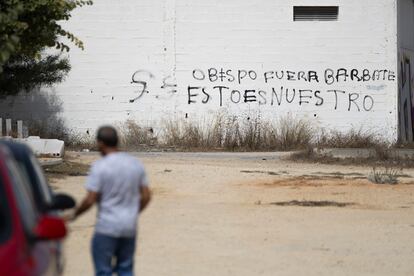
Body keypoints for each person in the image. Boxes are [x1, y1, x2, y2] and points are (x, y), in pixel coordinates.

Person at [67, 126, 151, 276]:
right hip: (128, 227)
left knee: (103, 271)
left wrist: (75, 214)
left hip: (106, 228)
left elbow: (90, 199)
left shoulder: (100, 166)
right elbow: (146, 196)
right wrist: (134, 211)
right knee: (126, 270)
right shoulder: (135, 164)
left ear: (100, 143)